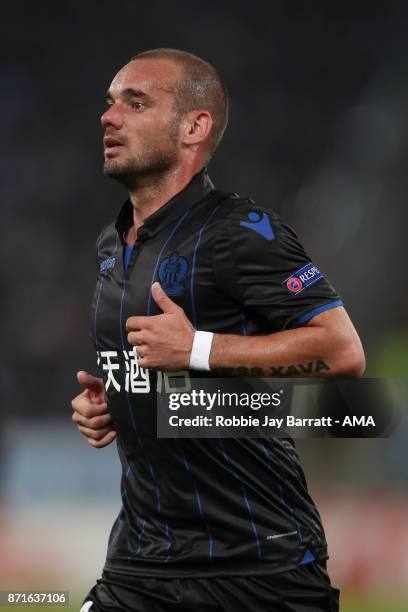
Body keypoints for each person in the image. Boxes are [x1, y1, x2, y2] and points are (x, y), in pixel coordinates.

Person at [72, 48, 365, 612]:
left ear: (194, 126)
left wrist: (199, 347)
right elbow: (164, 373)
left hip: (257, 568)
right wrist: (120, 399)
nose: (109, 117)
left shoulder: (242, 230)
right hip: (140, 561)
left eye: (136, 103)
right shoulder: (112, 244)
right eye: (110, 104)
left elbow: (341, 350)